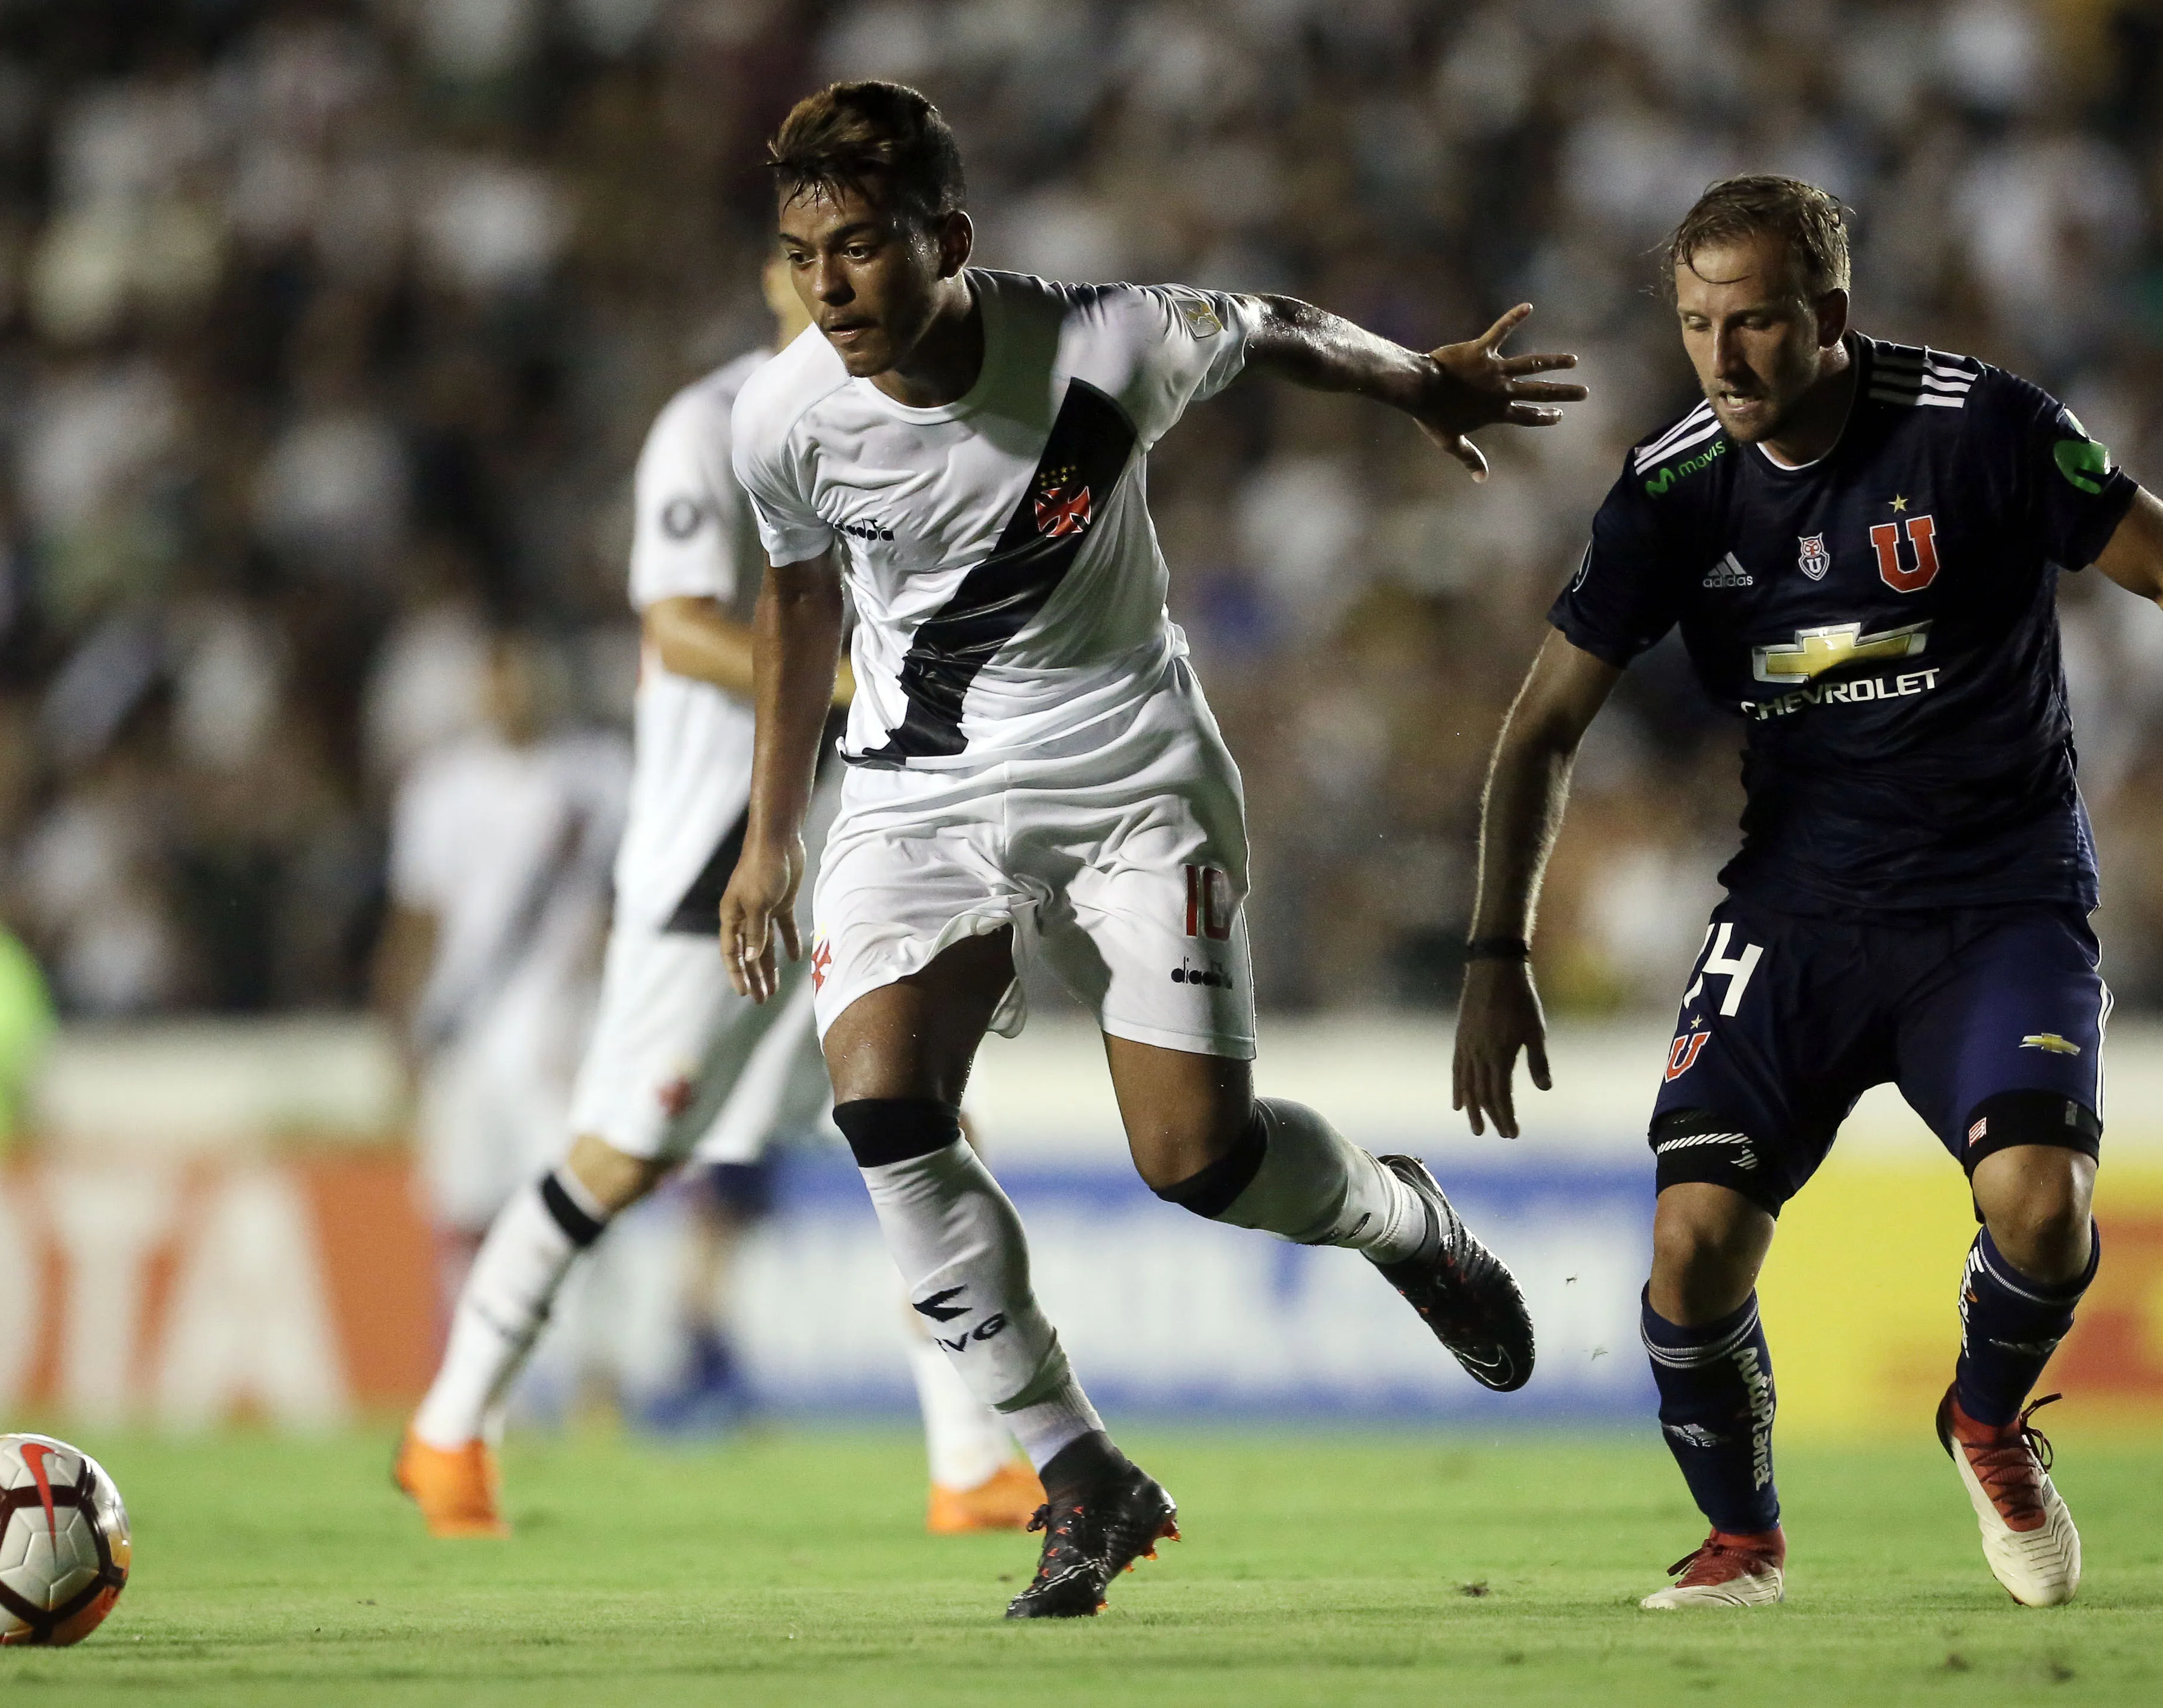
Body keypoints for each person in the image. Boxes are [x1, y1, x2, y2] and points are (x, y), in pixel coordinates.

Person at [719, 81, 1583, 1620]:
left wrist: (1415, 383)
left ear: (948, 238)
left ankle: (1396, 1215)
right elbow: (792, 605)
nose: (830, 283)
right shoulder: (781, 417)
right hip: (915, 796)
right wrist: (766, 838)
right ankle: (1078, 1469)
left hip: (1126, 771)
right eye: (805, 252)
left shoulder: (1099, 343)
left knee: (1195, 1156)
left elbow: (1264, 322)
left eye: (858, 245)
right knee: (882, 1105)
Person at [1451, 176, 2163, 1611]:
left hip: (1994, 902)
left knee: (2040, 1207)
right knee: (1688, 1241)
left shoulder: (1980, 429)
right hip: (1796, 914)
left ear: (1826, 316)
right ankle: (1740, 1540)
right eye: (1697, 323)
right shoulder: (1669, 488)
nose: (1722, 357)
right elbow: (1537, 729)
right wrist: (1492, 945)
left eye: (1754, 320)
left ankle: (1983, 1423)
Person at [395, 259, 1043, 1540]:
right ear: (772, 277)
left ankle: (971, 1456)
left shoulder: (916, 431)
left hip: (860, 844)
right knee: (621, 1154)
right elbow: (677, 624)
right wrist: (855, 680)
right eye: (820, 259)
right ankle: (451, 1424)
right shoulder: (707, 427)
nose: (849, 286)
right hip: (715, 861)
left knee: (924, 1132)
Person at [376, 633, 629, 1304]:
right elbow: (417, 919)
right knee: (466, 1206)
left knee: (574, 1199)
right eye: (499, 676)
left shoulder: (599, 775)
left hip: (559, 1023)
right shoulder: (442, 786)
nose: (512, 692)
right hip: (466, 1023)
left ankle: (592, 1376)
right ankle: (476, 1372)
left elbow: (623, 905)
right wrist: (401, 1030)